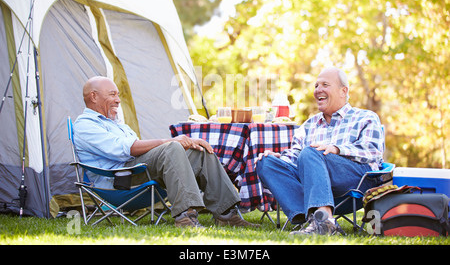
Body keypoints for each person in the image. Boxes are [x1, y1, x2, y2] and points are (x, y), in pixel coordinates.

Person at [73, 76, 258, 228]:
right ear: (94, 97)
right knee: (171, 147)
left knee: (199, 151)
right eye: (112, 94)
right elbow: (125, 150)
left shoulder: (115, 124)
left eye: (118, 95)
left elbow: (134, 149)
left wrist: (186, 142)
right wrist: (170, 141)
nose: (118, 100)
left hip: (135, 170)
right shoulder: (85, 125)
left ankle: (227, 215)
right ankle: (186, 218)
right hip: (118, 180)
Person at [256, 67, 384, 235]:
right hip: (312, 184)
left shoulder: (366, 117)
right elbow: (296, 155)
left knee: (311, 152)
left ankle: (324, 223)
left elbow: (373, 151)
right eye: (316, 86)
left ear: (343, 91)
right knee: (265, 163)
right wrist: (279, 158)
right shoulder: (309, 124)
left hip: (355, 181)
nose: (318, 90)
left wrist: (337, 150)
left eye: (325, 84)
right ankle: (311, 219)